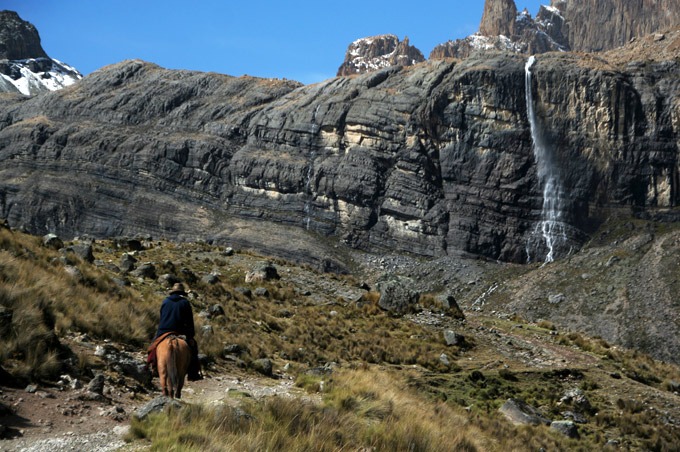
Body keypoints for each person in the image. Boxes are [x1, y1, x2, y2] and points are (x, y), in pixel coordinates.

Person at [153, 282, 203, 381]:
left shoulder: (165, 301)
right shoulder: (185, 303)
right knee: (193, 349)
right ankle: (193, 373)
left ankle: (153, 368)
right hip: (179, 332)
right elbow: (189, 321)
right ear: (182, 293)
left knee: (152, 348)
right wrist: (190, 335)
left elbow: (162, 317)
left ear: (172, 292)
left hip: (163, 331)